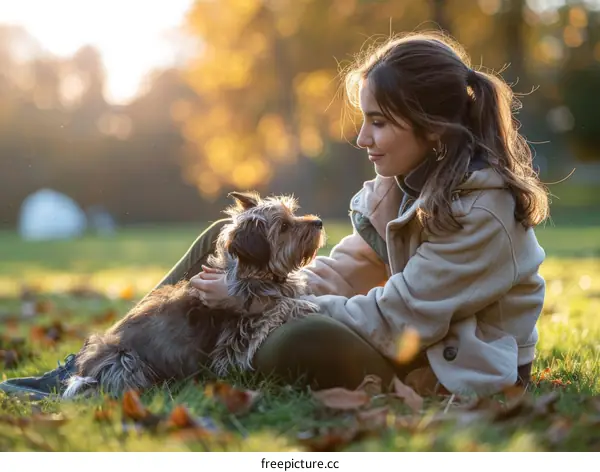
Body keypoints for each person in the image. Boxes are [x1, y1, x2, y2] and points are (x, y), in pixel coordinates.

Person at [1, 31, 548, 400]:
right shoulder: (398, 188)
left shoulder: (482, 210)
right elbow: (338, 271)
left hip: (447, 363)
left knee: (297, 341)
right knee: (227, 235)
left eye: (378, 123)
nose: (362, 138)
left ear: (431, 128)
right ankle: (85, 370)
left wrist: (250, 299)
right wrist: (259, 290)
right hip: (400, 336)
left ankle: (168, 363)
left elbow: (400, 319)